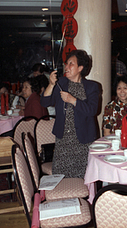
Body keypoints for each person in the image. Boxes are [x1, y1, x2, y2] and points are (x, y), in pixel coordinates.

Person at [41, 49, 99, 178]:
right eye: (66, 64)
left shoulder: (92, 87)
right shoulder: (61, 83)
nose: (66, 67)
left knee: (83, 178)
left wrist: (73, 100)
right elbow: (45, 102)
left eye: (71, 64)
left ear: (80, 68)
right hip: (64, 141)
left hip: (83, 142)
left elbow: (92, 110)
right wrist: (51, 84)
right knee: (61, 177)